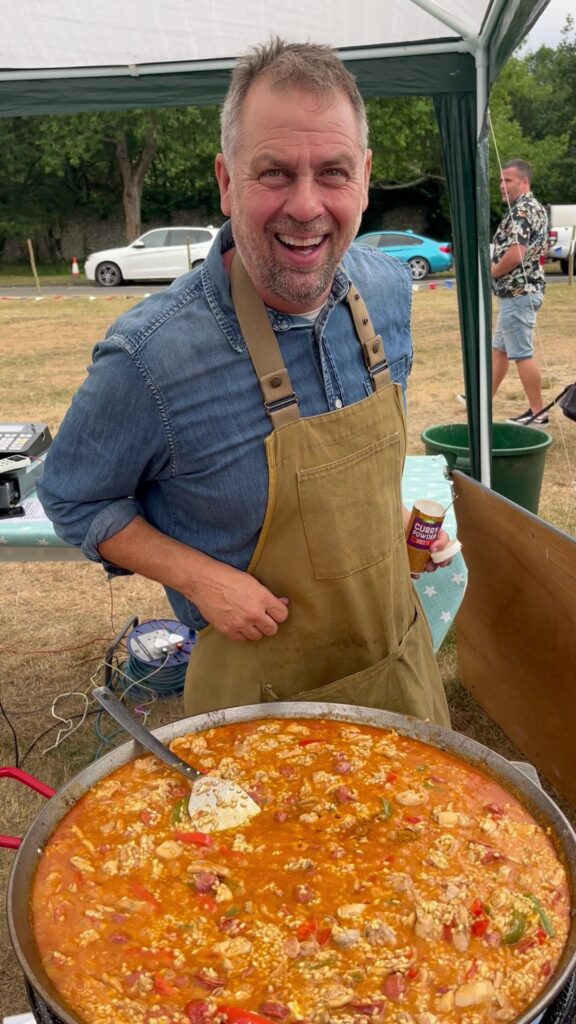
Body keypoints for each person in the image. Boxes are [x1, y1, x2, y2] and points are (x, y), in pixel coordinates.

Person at [39, 38, 453, 726]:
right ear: (227, 180)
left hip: (395, 673)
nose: (306, 205)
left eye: (333, 172)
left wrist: (397, 531)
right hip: (255, 709)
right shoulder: (150, 357)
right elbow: (74, 498)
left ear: (366, 176)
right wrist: (201, 579)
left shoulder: (387, 291)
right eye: (274, 173)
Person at [491, 159, 548, 424]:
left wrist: (489, 273)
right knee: (500, 350)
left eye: (508, 180)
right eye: (501, 181)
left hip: (518, 293)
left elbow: (516, 254)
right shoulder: (530, 207)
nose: (502, 186)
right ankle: (482, 399)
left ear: (524, 182)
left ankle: (538, 414)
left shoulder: (522, 210)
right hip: (516, 293)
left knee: (521, 354)